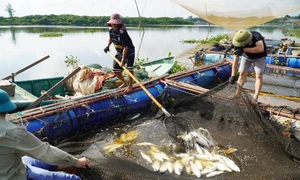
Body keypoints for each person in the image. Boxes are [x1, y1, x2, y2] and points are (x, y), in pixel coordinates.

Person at [0, 89, 91, 180]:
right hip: (16, 176)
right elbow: (45, 152)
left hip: (15, 167)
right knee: (73, 179)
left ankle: (68, 167)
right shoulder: (12, 132)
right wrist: (76, 161)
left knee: (35, 160)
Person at [228, 29, 267, 104]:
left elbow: (260, 48)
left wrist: (243, 49)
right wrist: (232, 75)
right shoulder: (237, 42)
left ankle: (255, 97)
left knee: (258, 76)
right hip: (246, 57)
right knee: (242, 73)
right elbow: (235, 59)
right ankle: (237, 94)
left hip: (259, 57)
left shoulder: (256, 36)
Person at [104, 13, 135, 93]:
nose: (115, 25)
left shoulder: (122, 33)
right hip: (119, 52)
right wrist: (108, 46)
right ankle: (124, 82)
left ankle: (130, 85)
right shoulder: (111, 31)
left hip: (129, 52)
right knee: (115, 69)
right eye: (113, 23)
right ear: (111, 23)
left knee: (129, 69)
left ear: (119, 23)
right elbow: (111, 39)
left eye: (116, 24)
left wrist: (122, 61)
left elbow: (126, 47)